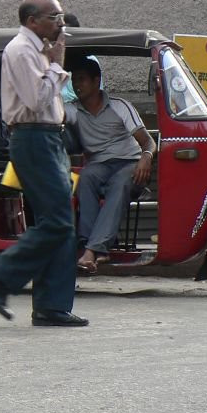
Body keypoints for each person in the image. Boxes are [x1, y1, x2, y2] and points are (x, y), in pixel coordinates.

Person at [0, 0, 87, 328]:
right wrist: (57, 64)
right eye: (55, 17)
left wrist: (53, 62)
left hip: (49, 138)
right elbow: (37, 99)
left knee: (61, 223)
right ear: (33, 20)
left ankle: (52, 306)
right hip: (33, 137)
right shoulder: (21, 50)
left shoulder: (38, 50)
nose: (61, 24)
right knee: (57, 222)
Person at [65, 57, 156, 275]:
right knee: (85, 178)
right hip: (99, 165)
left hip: (129, 163)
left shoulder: (120, 106)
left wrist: (146, 157)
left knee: (121, 182)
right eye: (74, 80)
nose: (77, 85)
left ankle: (91, 251)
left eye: (82, 80)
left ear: (97, 81)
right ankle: (96, 248)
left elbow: (149, 142)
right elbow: (47, 113)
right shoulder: (72, 110)